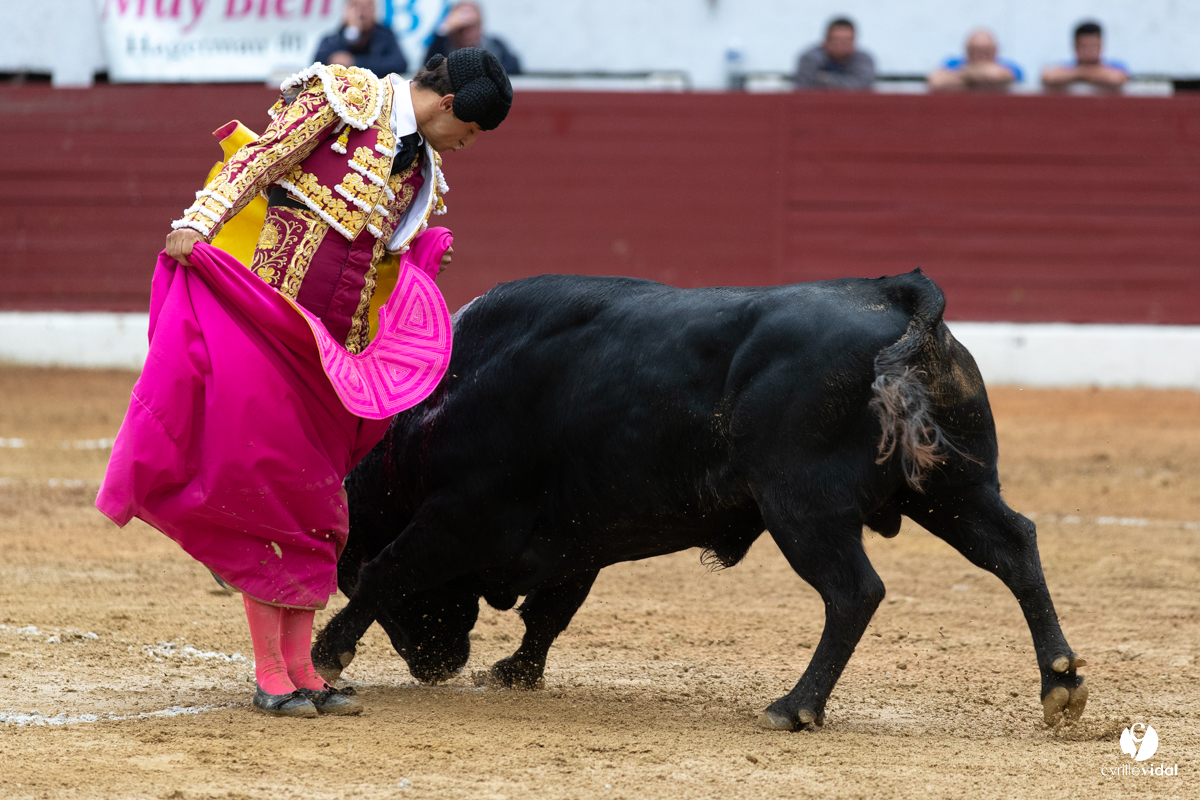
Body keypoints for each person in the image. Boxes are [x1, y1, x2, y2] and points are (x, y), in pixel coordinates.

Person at [97, 49, 512, 718]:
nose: (464, 145)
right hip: (267, 326)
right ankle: (273, 673)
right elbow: (259, 158)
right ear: (450, 105)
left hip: (331, 359)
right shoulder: (345, 99)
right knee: (274, 499)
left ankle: (302, 670)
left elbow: (378, 263)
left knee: (318, 508)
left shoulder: (421, 176)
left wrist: (422, 254)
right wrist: (197, 222)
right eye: (469, 131)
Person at [425, 2, 521, 76]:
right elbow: (428, 69)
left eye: (473, 26)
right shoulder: (441, 46)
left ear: (480, 25)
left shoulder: (495, 45)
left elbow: (514, 69)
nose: (467, 34)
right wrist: (444, 29)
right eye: (461, 28)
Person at [314, 0, 407, 76]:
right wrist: (352, 32)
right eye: (355, 6)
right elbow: (318, 66)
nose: (361, 13)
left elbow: (399, 64)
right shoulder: (332, 39)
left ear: (374, 10)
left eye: (366, 7)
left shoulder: (385, 36)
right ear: (346, 10)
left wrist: (355, 62)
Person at [1041, 21, 1129, 94]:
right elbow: (1048, 77)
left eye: (1094, 46)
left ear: (1101, 45)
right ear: (1075, 47)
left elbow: (1118, 79)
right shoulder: (1066, 66)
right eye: (1084, 46)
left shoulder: (1116, 65)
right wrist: (1091, 74)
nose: (1089, 52)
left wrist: (1078, 75)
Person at [928, 29, 1022, 91]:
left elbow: (997, 76)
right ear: (967, 50)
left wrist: (961, 77)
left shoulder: (1009, 66)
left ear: (995, 50)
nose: (979, 57)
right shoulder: (953, 62)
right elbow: (936, 81)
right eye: (974, 51)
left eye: (985, 52)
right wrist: (981, 77)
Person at [794, 17, 874, 90]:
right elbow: (805, 88)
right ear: (826, 40)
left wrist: (824, 78)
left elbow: (861, 87)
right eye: (837, 40)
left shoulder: (864, 60)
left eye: (847, 40)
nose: (842, 44)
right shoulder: (809, 58)